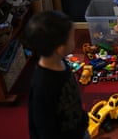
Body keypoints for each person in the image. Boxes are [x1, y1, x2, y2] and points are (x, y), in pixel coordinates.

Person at [24, 11, 90, 139]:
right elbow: (43, 125)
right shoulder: (43, 85)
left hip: (77, 127)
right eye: (72, 37)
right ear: (60, 48)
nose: (74, 39)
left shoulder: (62, 61)